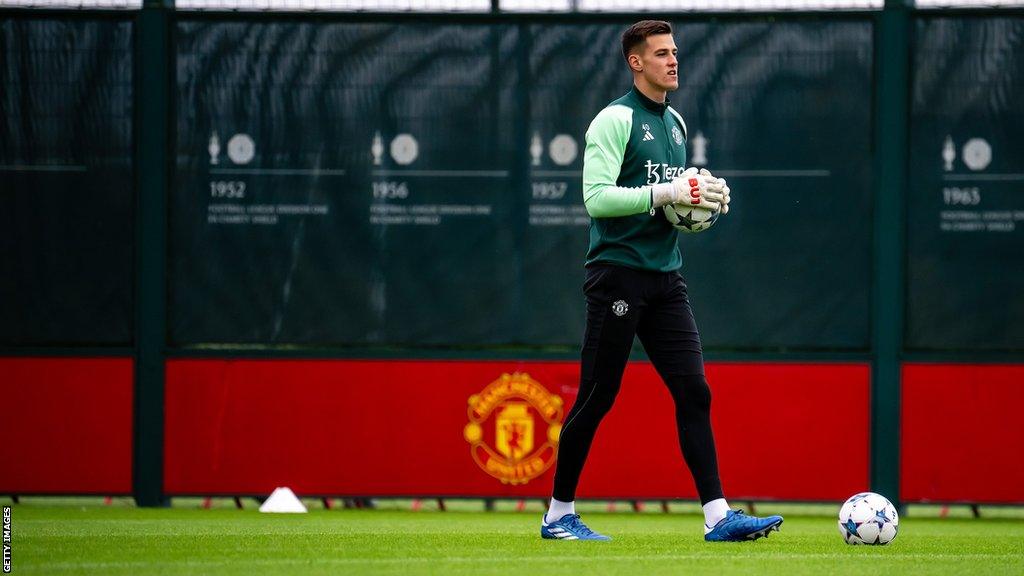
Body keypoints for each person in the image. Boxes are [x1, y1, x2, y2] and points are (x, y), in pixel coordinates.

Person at [540, 20, 783, 542]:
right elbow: (597, 200)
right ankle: (559, 514)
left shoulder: (675, 123)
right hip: (617, 277)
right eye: (661, 54)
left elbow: (671, 207)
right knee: (597, 397)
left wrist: (698, 206)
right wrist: (667, 194)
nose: (673, 61)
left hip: (666, 279)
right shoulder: (613, 120)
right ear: (635, 62)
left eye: (675, 52)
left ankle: (719, 517)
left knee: (695, 391)